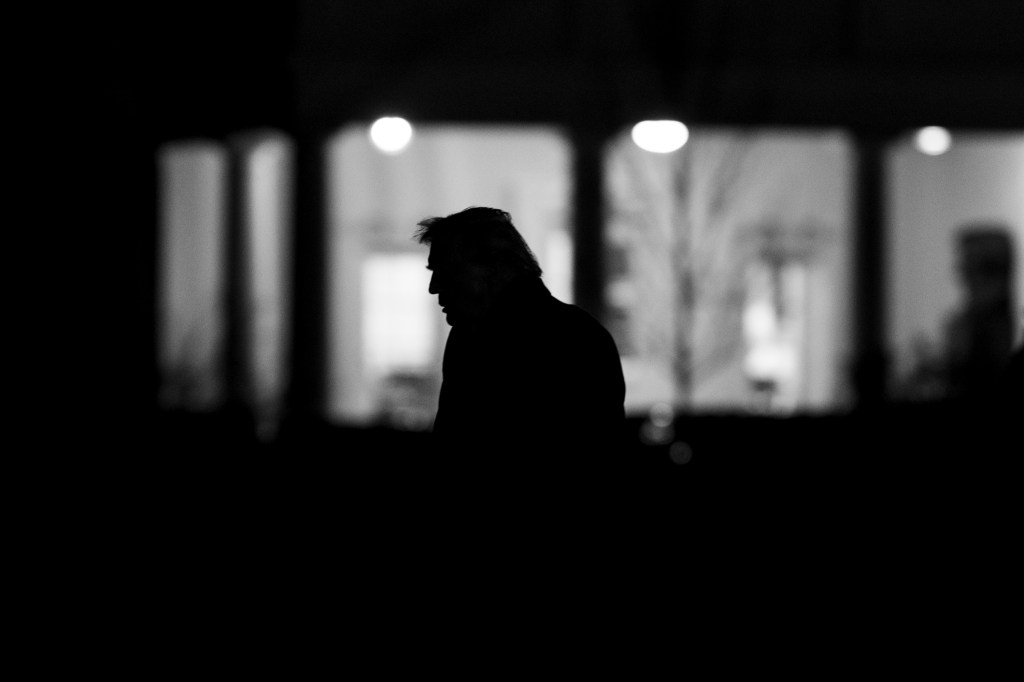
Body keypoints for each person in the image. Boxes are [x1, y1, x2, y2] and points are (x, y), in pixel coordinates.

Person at [415, 207, 626, 481]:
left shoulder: (469, 341)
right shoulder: (582, 336)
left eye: (446, 270)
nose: (434, 286)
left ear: (490, 268)